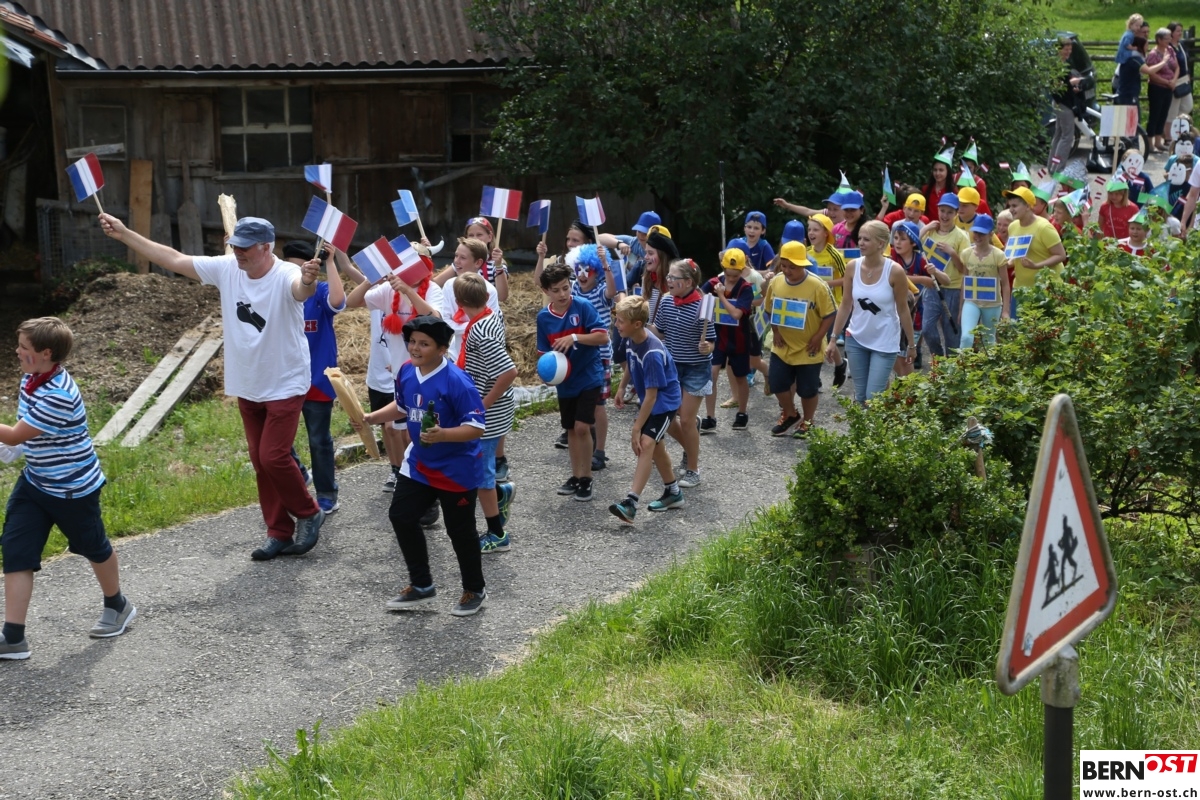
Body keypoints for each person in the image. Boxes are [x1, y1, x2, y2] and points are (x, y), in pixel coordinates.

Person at [99, 213, 325, 560]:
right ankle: (279, 532)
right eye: (235, 245)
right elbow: (173, 259)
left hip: (284, 380)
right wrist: (126, 234)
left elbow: (300, 291)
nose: (238, 252)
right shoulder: (227, 268)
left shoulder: (286, 274)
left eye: (245, 247)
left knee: (274, 456)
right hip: (247, 381)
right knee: (259, 460)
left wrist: (309, 280)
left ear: (267, 247)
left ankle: (308, 512)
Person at [0, 317, 135, 660]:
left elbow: (14, 434)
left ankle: (117, 605)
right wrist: (14, 449)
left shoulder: (58, 395)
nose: (16, 352)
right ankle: (13, 637)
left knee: (93, 547)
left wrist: (13, 442)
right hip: (36, 481)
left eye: (23, 347)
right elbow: (22, 435)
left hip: (72, 489)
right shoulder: (31, 378)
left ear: (46, 353)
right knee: (16, 550)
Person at [354, 316, 488, 617]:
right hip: (419, 464)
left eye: (424, 344)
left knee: (460, 532)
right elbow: (403, 406)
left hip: (456, 469)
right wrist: (371, 418)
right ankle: (422, 585)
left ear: (442, 349)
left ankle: (475, 589)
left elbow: (476, 427)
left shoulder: (458, 381)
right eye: (412, 341)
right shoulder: (406, 371)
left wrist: (443, 435)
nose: (415, 348)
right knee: (401, 516)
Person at [344, 245, 443, 500]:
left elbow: (436, 319)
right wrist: (371, 278)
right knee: (401, 430)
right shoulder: (388, 291)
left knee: (417, 432)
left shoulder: (433, 290)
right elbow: (351, 302)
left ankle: (425, 483)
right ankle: (412, 480)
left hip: (430, 375)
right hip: (402, 374)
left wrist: (408, 291)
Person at [451, 274, 517, 554]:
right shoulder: (491, 316)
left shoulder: (481, 331)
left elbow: (509, 371)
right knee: (479, 470)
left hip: (487, 415)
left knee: (482, 476)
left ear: (459, 301)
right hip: (492, 410)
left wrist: (482, 405)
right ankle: (501, 494)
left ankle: (497, 535)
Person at [537, 261, 610, 502]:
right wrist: (547, 375)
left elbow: (602, 336)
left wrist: (575, 337)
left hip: (589, 376)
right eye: (556, 290)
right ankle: (576, 476)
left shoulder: (583, 306)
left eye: (566, 288)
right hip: (565, 382)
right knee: (570, 429)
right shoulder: (543, 318)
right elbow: (543, 354)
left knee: (581, 427)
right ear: (546, 291)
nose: (562, 294)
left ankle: (587, 477)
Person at [283, 241, 346, 515]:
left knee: (319, 440)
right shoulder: (280, 291)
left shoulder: (319, 292)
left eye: (302, 267)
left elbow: (338, 302)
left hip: (317, 379)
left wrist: (330, 262)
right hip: (285, 379)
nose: (298, 273)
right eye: (291, 268)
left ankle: (327, 494)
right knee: (278, 441)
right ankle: (300, 472)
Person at [609, 295, 684, 523]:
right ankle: (673, 492)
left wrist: (636, 428)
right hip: (651, 400)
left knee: (646, 443)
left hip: (665, 403)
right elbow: (631, 363)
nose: (616, 324)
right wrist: (622, 387)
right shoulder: (631, 338)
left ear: (637, 324)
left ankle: (631, 502)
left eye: (620, 321)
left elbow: (652, 397)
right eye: (616, 319)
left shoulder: (652, 353)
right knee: (656, 447)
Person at [825, 221, 915, 405]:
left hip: (885, 341)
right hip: (856, 338)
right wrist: (833, 338)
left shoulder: (895, 271)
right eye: (859, 238)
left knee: (873, 398)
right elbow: (845, 304)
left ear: (881, 243)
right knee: (860, 397)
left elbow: (903, 309)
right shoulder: (852, 267)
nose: (860, 243)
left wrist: (911, 345)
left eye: (866, 239)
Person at [762, 241, 836, 437]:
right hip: (783, 345)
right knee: (777, 383)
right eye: (784, 266)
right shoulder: (776, 282)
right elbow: (770, 309)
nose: (787, 271)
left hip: (808, 347)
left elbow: (830, 314)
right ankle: (790, 414)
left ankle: (808, 421)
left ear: (803, 265)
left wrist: (818, 337)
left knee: (808, 389)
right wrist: (776, 332)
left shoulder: (817, 286)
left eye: (792, 267)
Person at [650, 258, 714, 487]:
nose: (668, 280)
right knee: (669, 418)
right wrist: (641, 324)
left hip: (696, 368)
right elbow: (659, 332)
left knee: (685, 420)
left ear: (688, 282)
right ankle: (691, 443)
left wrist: (707, 347)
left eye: (673, 277)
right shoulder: (667, 301)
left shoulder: (703, 306)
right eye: (668, 276)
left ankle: (693, 470)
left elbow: (711, 341)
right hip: (671, 367)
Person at [566, 243, 620, 472]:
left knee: (598, 405)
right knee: (581, 403)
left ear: (596, 271)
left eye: (587, 270)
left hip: (600, 357)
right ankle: (588, 442)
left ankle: (600, 451)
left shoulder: (600, 291)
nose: (582, 274)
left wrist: (606, 264)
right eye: (578, 269)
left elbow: (612, 291)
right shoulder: (573, 290)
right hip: (578, 355)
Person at [701, 248, 757, 431]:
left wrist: (721, 296)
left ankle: (742, 413)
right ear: (723, 268)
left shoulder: (746, 288)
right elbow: (699, 297)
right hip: (717, 337)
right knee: (712, 374)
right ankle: (710, 416)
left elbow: (736, 314)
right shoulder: (713, 282)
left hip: (738, 339)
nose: (731, 279)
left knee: (741, 377)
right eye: (728, 274)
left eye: (735, 275)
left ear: (742, 271)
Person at [889, 221, 947, 374]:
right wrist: (921, 279)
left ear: (913, 243)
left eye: (902, 239)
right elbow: (893, 275)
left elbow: (945, 280)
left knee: (906, 357)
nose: (897, 242)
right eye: (896, 238)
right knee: (895, 356)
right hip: (893, 313)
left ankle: (907, 382)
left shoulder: (921, 259)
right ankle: (902, 381)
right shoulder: (891, 256)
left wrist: (936, 272)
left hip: (915, 314)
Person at [1003, 186, 1068, 318]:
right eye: (1010, 206)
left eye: (1014, 206)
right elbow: (1014, 255)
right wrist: (1006, 262)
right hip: (1020, 289)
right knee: (1018, 329)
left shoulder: (1044, 227)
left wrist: (1036, 266)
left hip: (1045, 289)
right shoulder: (1013, 226)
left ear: (1028, 206)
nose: (1011, 210)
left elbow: (1061, 255)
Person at [919, 193, 969, 358]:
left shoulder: (961, 236)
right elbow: (912, 244)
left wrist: (952, 253)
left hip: (953, 289)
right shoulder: (930, 231)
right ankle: (939, 358)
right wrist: (925, 228)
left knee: (952, 333)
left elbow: (964, 269)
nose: (945, 215)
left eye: (949, 212)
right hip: (933, 286)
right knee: (927, 328)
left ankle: (952, 368)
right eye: (942, 211)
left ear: (956, 213)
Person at [442, 238, 502, 362]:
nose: (456, 261)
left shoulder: (489, 291)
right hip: (454, 355)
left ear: (478, 262)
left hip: (480, 358)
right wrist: (471, 325)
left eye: (463, 258)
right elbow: (445, 321)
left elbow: (489, 325)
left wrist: (458, 326)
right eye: (456, 256)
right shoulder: (449, 285)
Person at [958, 214, 1011, 349]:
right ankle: (962, 362)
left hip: (992, 304)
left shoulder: (998, 255)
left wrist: (1005, 311)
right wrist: (961, 308)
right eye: (975, 232)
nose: (978, 236)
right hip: (971, 301)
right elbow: (965, 281)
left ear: (991, 234)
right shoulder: (966, 254)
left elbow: (1005, 284)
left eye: (982, 233)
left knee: (989, 341)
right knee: (966, 337)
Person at [433, 217, 509, 302]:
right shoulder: (460, 262)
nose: (475, 238)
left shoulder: (496, 263)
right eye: (471, 235)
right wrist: (426, 252)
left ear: (490, 237)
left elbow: (502, 297)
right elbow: (435, 284)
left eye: (479, 235)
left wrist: (498, 266)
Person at [1049, 37, 1084, 170]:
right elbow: (1057, 86)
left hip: (1060, 102)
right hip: (1063, 104)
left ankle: (1051, 167)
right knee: (1067, 137)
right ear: (1059, 50)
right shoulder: (1057, 65)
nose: (1068, 52)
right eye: (1066, 49)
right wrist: (1071, 83)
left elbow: (1063, 86)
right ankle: (1058, 168)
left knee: (1058, 135)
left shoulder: (1063, 63)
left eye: (1070, 49)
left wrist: (1073, 88)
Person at [1146, 30, 1178, 153]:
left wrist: (1173, 81)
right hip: (1157, 88)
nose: (1169, 40)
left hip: (1168, 88)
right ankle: (1150, 143)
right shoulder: (1153, 54)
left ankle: (1158, 142)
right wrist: (1166, 82)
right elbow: (1151, 74)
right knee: (1155, 114)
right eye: (1166, 38)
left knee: (1163, 114)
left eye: (1170, 38)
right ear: (1159, 39)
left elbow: (1177, 67)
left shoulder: (1170, 50)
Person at [1168, 22, 1194, 120]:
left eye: (1181, 31)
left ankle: (1176, 123)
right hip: (1175, 80)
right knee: (1173, 108)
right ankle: (1170, 125)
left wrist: (1188, 74)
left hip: (1184, 79)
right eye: (1178, 31)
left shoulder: (1181, 44)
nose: (1180, 33)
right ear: (1171, 32)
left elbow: (1186, 60)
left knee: (1188, 106)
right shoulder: (1168, 47)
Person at [922, 146, 955, 213]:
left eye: (941, 170)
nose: (937, 173)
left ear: (948, 171)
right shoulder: (925, 189)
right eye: (935, 170)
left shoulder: (954, 192)